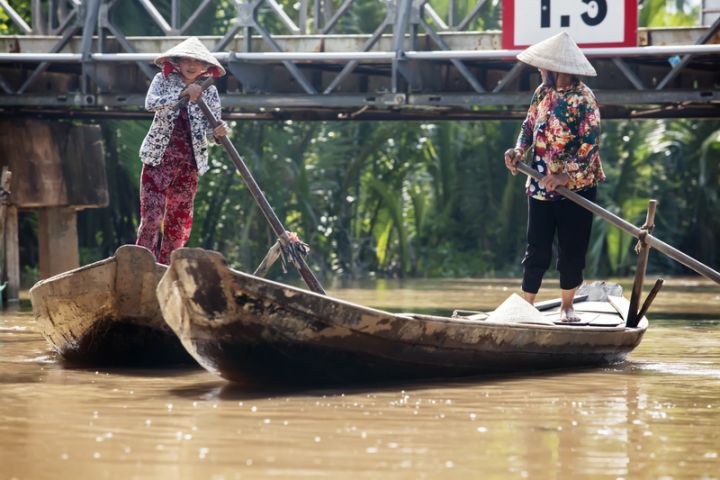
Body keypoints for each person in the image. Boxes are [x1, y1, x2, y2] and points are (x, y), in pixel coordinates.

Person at [503, 31, 605, 322]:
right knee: (536, 248)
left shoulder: (584, 99)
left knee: (571, 250)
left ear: (557, 68)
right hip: (538, 184)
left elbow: (590, 146)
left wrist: (564, 176)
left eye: (542, 65)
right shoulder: (542, 93)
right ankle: (527, 307)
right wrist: (518, 150)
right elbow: (528, 125)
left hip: (576, 188)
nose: (539, 69)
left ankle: (567, 307)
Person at [136, 37, 229, 265]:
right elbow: (151, 103)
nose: (192, 64)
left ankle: (167, 268)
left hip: (189, 164)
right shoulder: (163, 80)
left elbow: (211, 130)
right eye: (187, 59)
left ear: (206, 68)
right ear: (177, 61)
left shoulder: (210, 92)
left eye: (197, 61)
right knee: (151, 217)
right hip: (158, 158)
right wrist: (183, 94)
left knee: (179, 222)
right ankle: (140, 265)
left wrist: (219, 132)